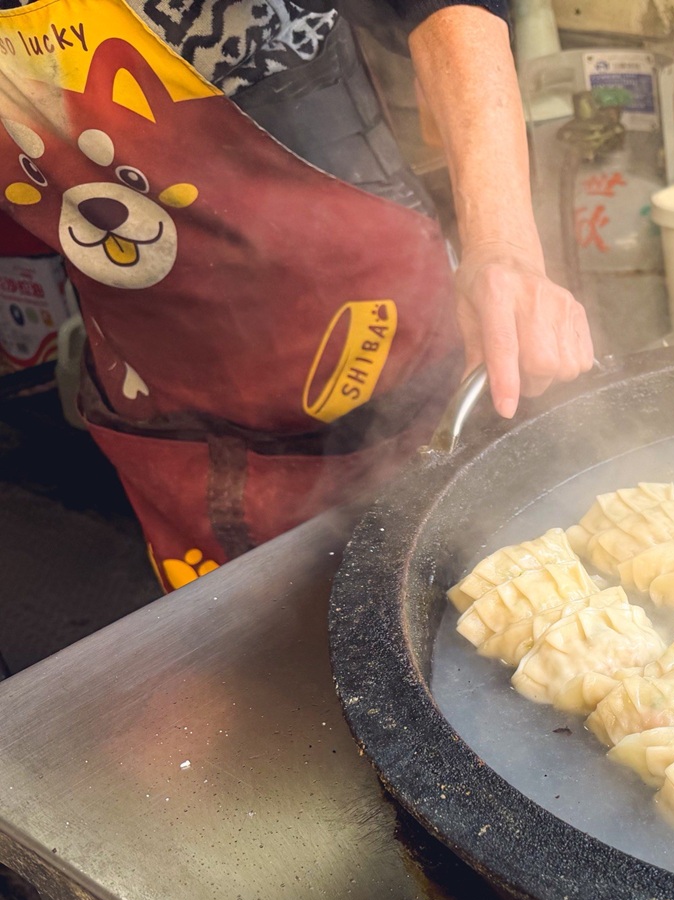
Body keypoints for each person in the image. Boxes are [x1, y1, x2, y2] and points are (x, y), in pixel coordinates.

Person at [0, 0, 592, 590]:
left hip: (375, 336)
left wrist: (503, 245)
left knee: (451, 587)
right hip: (157, 393)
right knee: (235, 656)